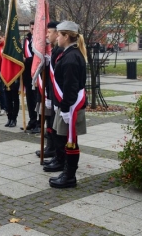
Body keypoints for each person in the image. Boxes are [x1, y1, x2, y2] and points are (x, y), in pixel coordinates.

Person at [48, 21, 87, 188]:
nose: (56, 37)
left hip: (71, 107)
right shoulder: (70, 53)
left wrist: (64, 108)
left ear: (66, 36)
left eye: (59, 34)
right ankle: (67, 172)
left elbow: (70, 86)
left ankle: (70, 176)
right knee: (68, 141)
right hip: (68, 105)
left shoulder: (71, 57)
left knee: (71, 141)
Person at [38, 21, 62, 161]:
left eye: (49, 32)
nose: (46, 35)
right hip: (51, 94)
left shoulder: (60, 52)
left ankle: (58, 155)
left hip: (57, 96)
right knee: (50, 122)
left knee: (58, 127)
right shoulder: (53, 50)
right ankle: (52, 149)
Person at [22, 21, 38, 131]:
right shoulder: (26, 39)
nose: (33, 31)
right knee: (29, 98)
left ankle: (38, 123)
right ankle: (32, 120)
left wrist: (26, 60)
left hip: (37, 73)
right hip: (27, 72)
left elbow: (38, 57)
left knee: (37, 99)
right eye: (32, 28)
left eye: (35, 28)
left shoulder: (40, 41)